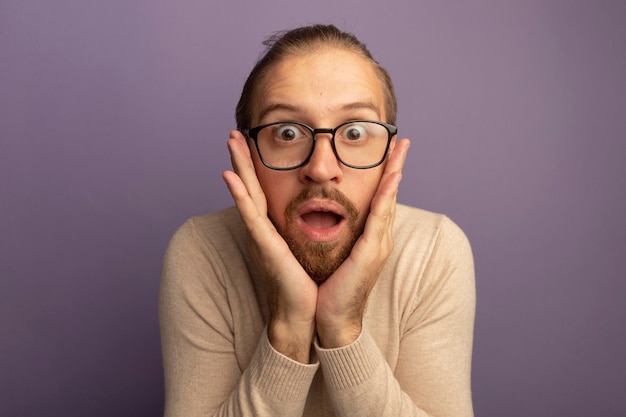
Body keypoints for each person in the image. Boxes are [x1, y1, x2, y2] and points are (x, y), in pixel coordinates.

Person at [159, 24, 475, 417]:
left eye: (355, 132)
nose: (322, 168)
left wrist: (343, 330)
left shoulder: (433, 251)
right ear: (248, 158)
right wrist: (289, 331)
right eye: (287, 132)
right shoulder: (202, 251)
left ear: (390, 156)